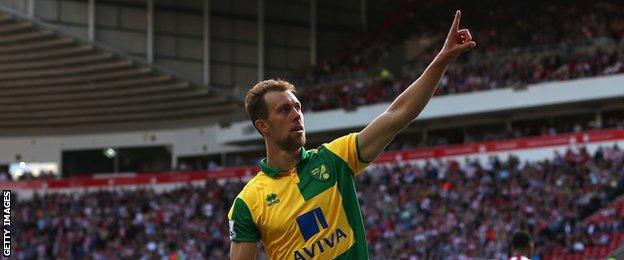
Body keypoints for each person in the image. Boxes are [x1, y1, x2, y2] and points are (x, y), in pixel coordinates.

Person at [228, 10, 476, 260]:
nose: (296, 115)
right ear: (263, 126)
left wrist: (441, 60)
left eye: (298, 107)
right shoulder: (249, 202)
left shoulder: (335, 159)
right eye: (284, 110)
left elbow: (397, 115)